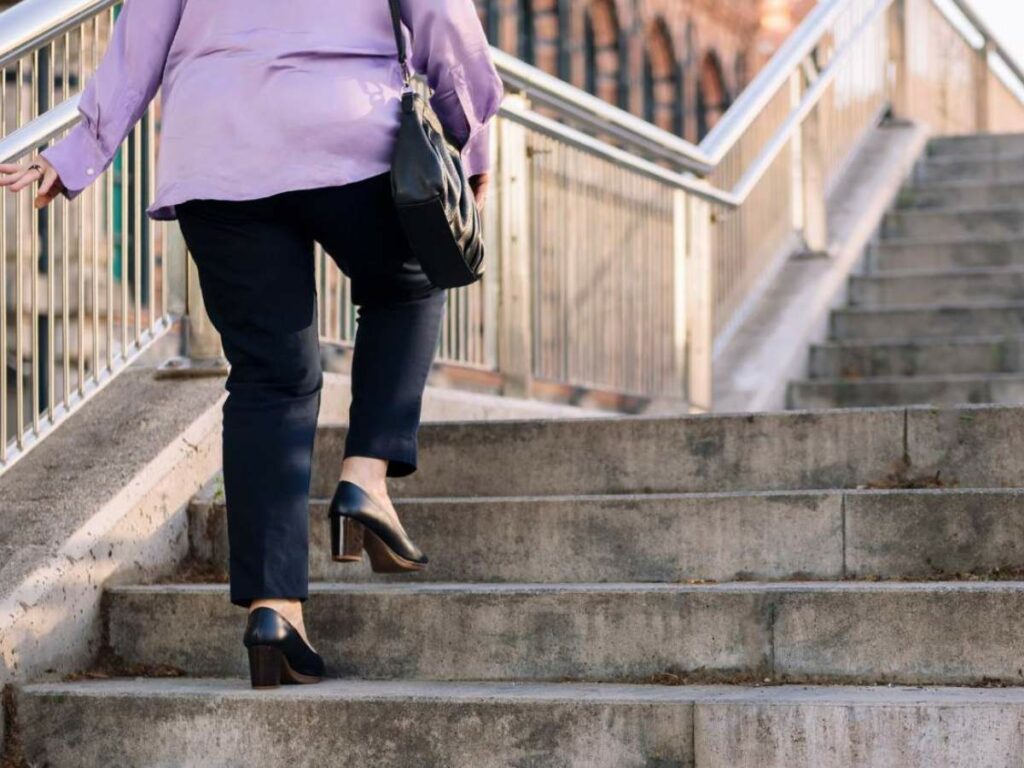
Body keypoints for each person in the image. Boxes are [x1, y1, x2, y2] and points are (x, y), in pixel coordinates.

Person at [0, 0, 503, 689]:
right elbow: (443, 16)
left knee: (270, 376)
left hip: (216, 147)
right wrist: (471, 133)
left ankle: (277, 612)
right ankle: (365, 479)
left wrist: (80, 151)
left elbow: (141, 31)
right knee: (408, 282)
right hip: (346, 128)